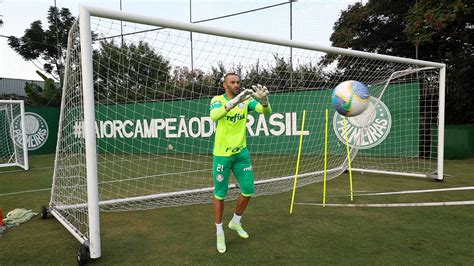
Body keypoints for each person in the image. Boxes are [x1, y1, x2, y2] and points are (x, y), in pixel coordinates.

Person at [209, 73, 272, 253]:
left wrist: (265, 101)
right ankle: (219, 231)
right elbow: (214, 116)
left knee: (248, 189)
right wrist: (234, 102)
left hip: (241, 154)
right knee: (220, 194)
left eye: (238, 82)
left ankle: (235, 222)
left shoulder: (246, 101)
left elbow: (266, 112)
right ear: (224, 85)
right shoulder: (217, 100)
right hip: (222, 155)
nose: (236, 85)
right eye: (232, 82)